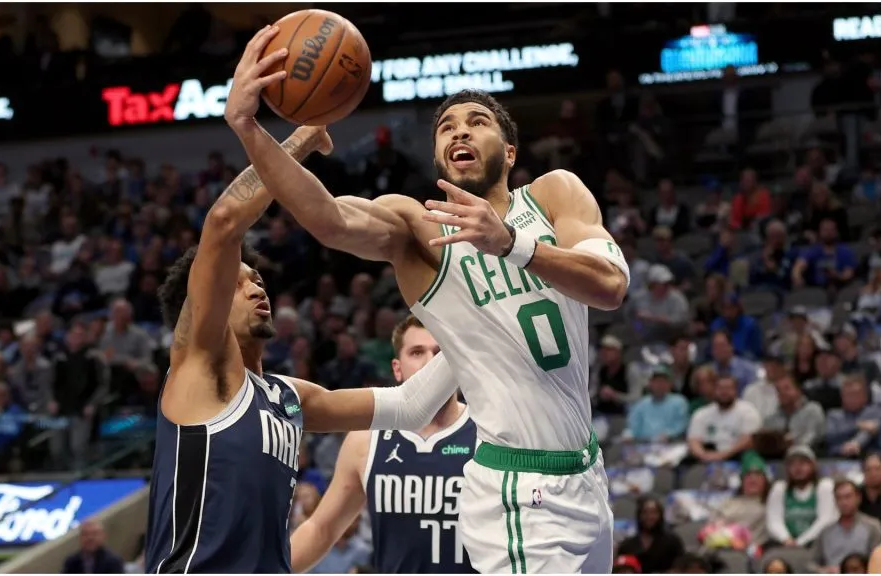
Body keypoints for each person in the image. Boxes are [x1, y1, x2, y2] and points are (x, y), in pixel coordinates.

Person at [225, 32, 629, 574]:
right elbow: (327, 218)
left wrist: (511, 243)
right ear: (439, 155)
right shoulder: (417, 230)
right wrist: (250, 129)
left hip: (586, 472)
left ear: (509, 153)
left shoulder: (555, 195)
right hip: (516, 490)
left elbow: (610, 286)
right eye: (446, 128)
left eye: (477, 122)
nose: (460, 129)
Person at [145, 26, 459, 574]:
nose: (257, 284)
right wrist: (288, 139)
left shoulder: (288, 398)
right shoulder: (201, 368)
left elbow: (410, 406)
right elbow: (222, 224)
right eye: (242, 282)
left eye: (257, 277)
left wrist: (476, 322)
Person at [291, 315, 476, 574]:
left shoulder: (488, 432)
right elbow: (322, 528)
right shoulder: (366, 439)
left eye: (440, 352)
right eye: (417, 352)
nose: (430, 363)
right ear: (397, 368)